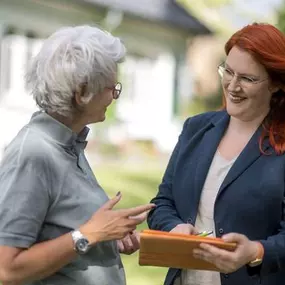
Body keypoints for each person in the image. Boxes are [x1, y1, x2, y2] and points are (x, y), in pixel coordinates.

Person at [0, 25, 155, 285]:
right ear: (83, 93)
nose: (114, 98)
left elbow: (61, 233)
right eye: (112, 89)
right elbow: (6, 269)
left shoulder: (69, 145)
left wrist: (107, 238)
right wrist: (91, 233)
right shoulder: (32, 156)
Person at [147, 22, 285, 285]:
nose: (232, 86)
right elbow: (162, 202)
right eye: (228, 72)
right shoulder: (195, 129)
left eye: (247, 78)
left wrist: (256, 252)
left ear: (276, 84)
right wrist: (174, 228)